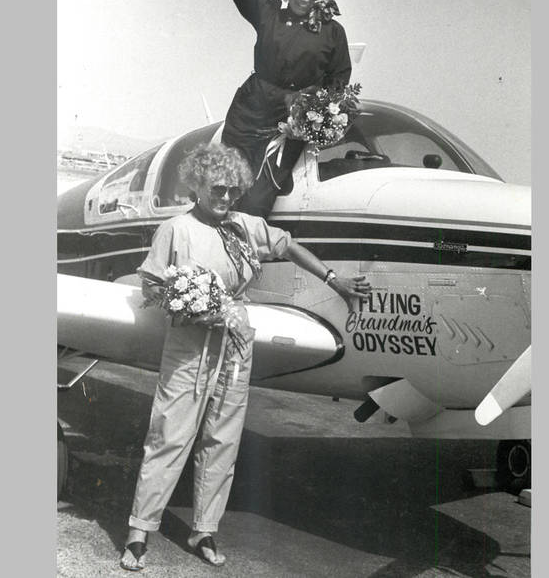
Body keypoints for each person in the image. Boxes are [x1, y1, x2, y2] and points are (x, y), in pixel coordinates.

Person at [120, 143, 370, 571]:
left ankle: (205, 529)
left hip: (235, 343)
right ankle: (139, 532)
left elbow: (287, 245)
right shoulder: (176, 231)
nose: (226, 197)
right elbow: (151, 286)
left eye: (234, 190)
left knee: (223, 439)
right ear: (196, 185)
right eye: (218, 188)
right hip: (188, 346)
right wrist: (187, 303)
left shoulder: (242, 226)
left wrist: (334, 279)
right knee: (170, 435)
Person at [183, 0, 353, 217]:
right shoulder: (268, 14)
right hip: (250, 113)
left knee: (257, 203)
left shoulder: (334, 32)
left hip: (289, 125)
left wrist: (312, 120)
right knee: (221, 189)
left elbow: (338, 87)